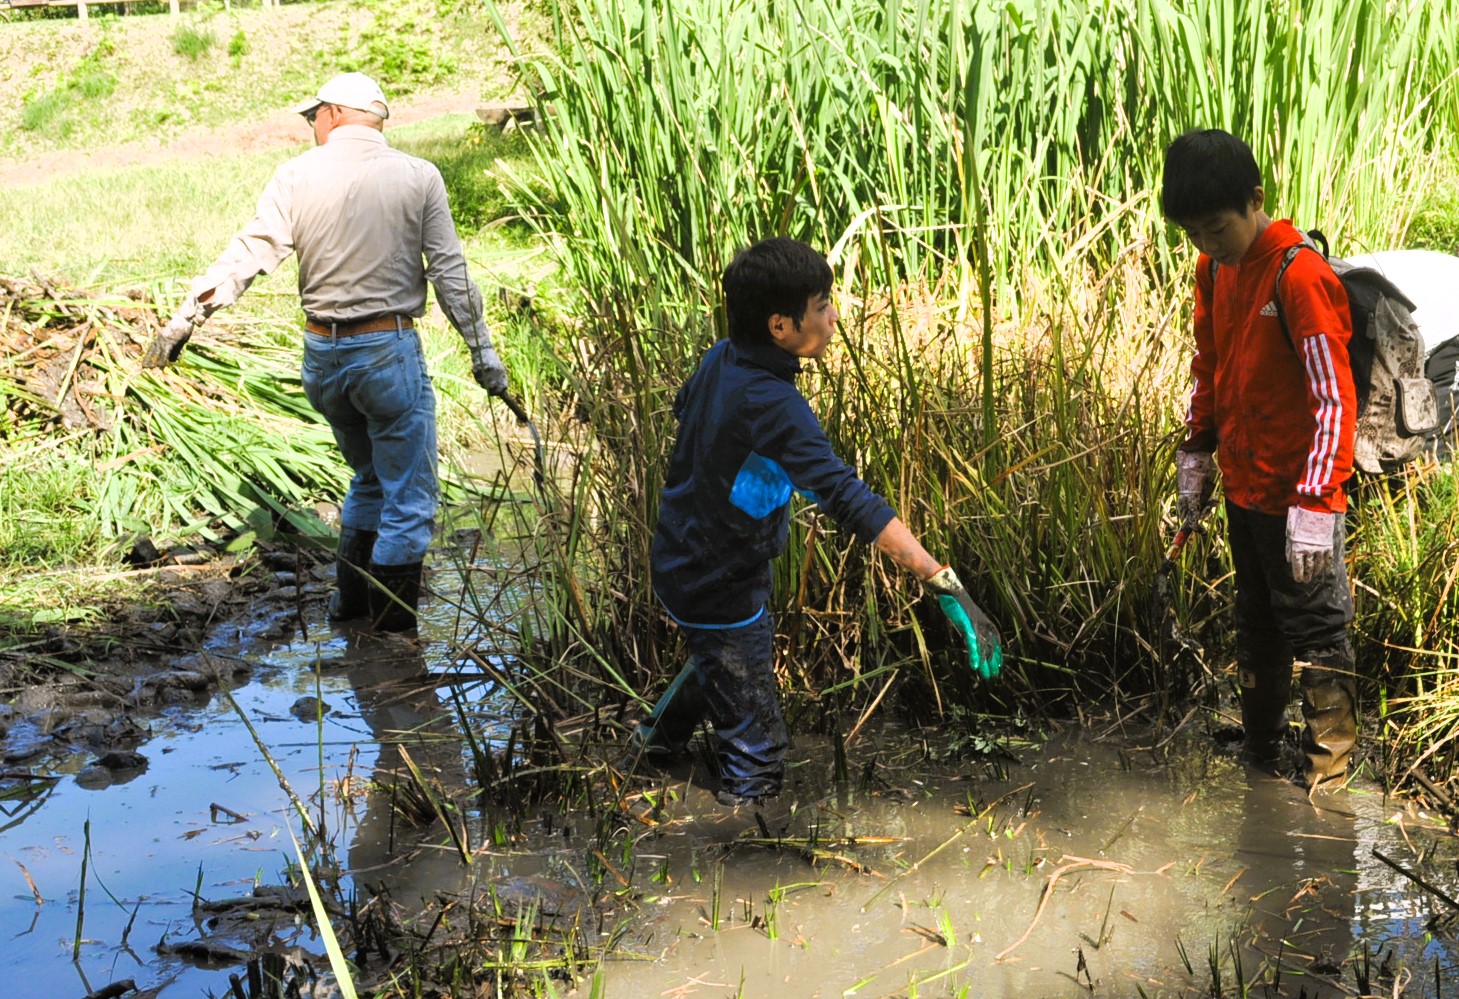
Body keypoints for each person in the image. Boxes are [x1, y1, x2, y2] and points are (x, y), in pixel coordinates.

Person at [636, 236, 1002, 808]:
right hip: (717, 581)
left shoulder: (722, 356)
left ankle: (651, 749)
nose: (834, 317)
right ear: (780, 326)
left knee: (718, 659)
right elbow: (848, 498)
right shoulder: (776, 406)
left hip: (680, 557)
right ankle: (741, 854)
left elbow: (691, 415)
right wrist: (942, 582)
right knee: (759, 752)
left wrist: (745, 482)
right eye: (822, 306)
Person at [142, 72, 508, 633]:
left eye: (311, 115)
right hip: (386, 351)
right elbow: (451, 274)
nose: (310, 124)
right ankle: (391, 639)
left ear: (334, 113)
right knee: (409, 500)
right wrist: (483, 354)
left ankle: (350, 609)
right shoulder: (419, 177)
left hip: (323, 358)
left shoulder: (294, 176)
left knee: (367, 478)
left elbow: (249, 253)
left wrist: (183, 320)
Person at [1162, 129, 1358, 789]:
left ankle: (1328, 774)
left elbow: (1333, 398)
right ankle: (1259, 750)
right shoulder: (1212, 271)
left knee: (1315, 626)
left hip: (1298, 493)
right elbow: (1208, 366)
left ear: (1255, 200)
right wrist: (1196, 452)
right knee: (1256, 618)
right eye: (1192, 233)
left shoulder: (1298, 274)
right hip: (1245, 485)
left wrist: (1315, 502)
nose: (1207, 244)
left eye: (1216, 228)